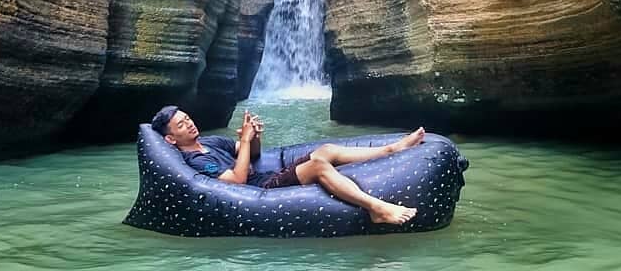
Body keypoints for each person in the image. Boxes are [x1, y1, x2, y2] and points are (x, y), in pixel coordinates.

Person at [150, 105, 424, 225]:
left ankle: (393, 148)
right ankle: (376, 209)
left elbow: (252, 154)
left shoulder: (210, 143)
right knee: (318, 165)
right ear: (171, 139)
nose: (190, 123)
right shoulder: (196, 159)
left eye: (187, 118)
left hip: (267, 175)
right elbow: (236, 181)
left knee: (326, 149)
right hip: (262, 188)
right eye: (181, 124)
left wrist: (253, 136)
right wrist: (244, 142)